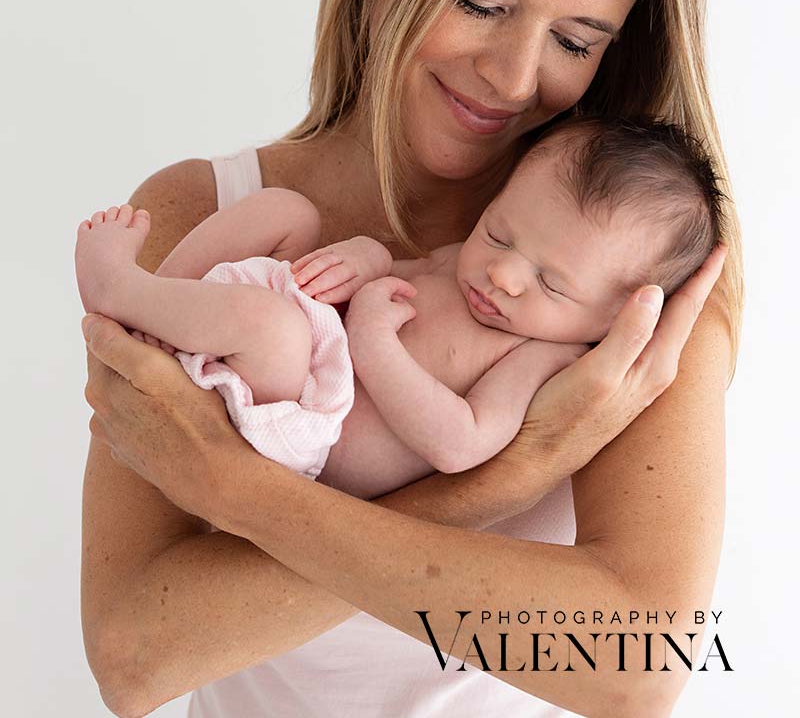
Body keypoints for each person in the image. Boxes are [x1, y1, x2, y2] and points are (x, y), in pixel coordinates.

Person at [80, 0, 742, 718]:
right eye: (480, 1)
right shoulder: (203, 212)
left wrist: (240, 495)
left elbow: (636, 665)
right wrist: (500, 479)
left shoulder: (628, 286)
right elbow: (135, 658)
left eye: (573, 41)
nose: (513, 78)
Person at [76, 114, 724, 495]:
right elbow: (394, 271)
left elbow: (462, 444)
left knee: (270, 328)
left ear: (618, 318)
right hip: (305, 343)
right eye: (499, 233)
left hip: (309, 429)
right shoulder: (463, 262)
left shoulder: (544, 358)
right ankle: (155, 313)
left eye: (552, 283)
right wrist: (363, 258)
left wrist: (375, 342)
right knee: (285, 212)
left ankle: (121, 291)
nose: (502, 273)